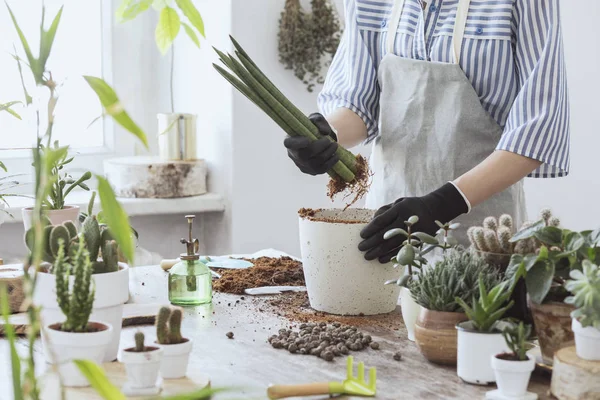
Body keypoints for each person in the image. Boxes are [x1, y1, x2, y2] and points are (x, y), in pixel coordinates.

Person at [284, 0, 569, 263]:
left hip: (484, 236)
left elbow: (537, 128)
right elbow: (360, 105)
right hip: (387, 233)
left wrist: (443, 204)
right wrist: (327, 138)